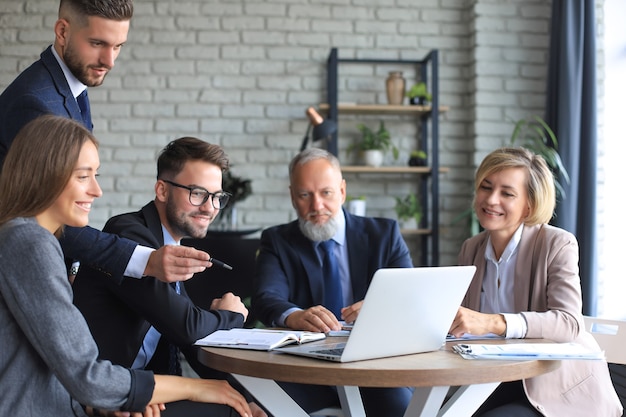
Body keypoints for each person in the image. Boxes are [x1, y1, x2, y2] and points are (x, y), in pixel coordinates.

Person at [0, 115, 253, 417]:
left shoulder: (34, 240)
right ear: (44, 175)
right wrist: (198, 387)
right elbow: (87, 377)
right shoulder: (30, 243)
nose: (97, 191)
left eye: (96, 175)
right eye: (84, 176)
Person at [0, 0, 211, 286]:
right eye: (98, 43)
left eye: (118, 46)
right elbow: (48, 213)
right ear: (62, 31)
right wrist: (145, 260)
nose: (109, 61)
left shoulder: (68, 89)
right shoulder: (37, 103)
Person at [72, 137, 266, 417]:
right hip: (101, 397)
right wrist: (231, 315)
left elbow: (188, 339)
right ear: (162, 190)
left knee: (248, 407)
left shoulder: (168, 245)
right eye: (197, 193)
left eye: (217, 197)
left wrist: (248, 395)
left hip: (143, 391)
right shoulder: (130, 235)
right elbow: (186, 326)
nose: (210, 207)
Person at [448, 147, 622, 417]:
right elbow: (455, 318)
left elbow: (569, 323)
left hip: (554, 389)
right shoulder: (471, 249)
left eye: (507, 193)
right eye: (486, 187)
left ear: (529, 205)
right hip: (490, 380)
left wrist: (495, 322)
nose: (491, 199)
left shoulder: (557, 243)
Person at [252, 147, 414, 417]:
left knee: (405, 410)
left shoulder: (384, 235)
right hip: (303, 371)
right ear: (293, 196)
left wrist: (380, 309)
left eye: (326, 193)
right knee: (256, 408)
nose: (316, 206)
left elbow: (410, 296)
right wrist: (295, 316)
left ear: (342, 191)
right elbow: (266, 297)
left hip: (373, 369)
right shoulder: (277, 241)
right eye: (305, 195)